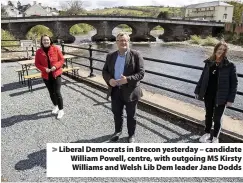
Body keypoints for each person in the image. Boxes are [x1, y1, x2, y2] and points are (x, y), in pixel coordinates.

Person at [102, 32, 145, 143]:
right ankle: (117, 132)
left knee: (131, 115)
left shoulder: (136, 55)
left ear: (128, 41)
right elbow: (105, 71)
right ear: (117, 42)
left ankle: (131, 135)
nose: (123, 42)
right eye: (120, 40)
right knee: (117, 113)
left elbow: (141, 73)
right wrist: (109, 80)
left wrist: (127, 79)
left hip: (130, 91)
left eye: (125, 40)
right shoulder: (110, 56)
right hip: (115, 90)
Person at [194, 42, 238, 143]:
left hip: (221, 96)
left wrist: (231, 99)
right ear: (216, 49)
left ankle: (215, 137)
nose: (221, 51)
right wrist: (197, 90)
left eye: (224, 50)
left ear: (225, 52)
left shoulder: (230, 65)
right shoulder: (209, 62)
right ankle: (207, 133)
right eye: (220, 48)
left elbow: (234, 84)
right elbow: (202, 78)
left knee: (217, 118)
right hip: (208, 94)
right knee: (208, 115)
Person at [35, 35, 65, 119]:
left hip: (56, 74)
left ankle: (61, 110)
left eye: (47, 40)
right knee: (51, 92)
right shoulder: (38, 52)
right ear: (41, 41)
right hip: (46, 75)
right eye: (44, 40)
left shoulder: (55, 48)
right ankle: (56, 105)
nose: (46, 41)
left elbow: (62, 60)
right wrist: (44, 69)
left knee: (57, 92)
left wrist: (55, 66)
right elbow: (37, 64)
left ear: (50, 40)